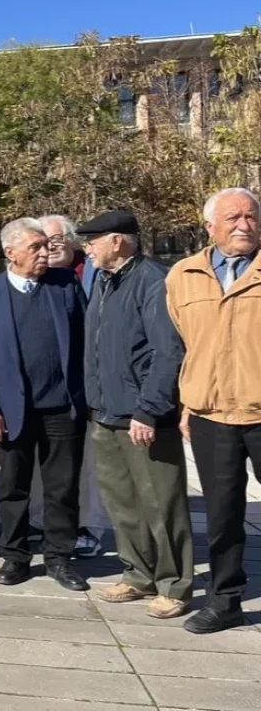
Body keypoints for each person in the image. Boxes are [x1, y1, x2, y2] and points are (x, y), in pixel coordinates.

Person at [78, 211, 192, 620]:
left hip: (143, 416)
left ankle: (174, 583)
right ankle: (138, 573)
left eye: (92, 241)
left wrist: (149, 408)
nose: (86, 249)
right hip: (105, 412)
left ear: (117, 241)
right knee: (122, 502)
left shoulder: (152, 281)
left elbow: (167, 352)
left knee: (161, 503)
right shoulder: (105, 282)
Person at [0, 218, 89, 592]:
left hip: (62, 406)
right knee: (14, 486)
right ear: (11, 253)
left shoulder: (65, 284)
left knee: (62, 487)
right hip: (11, 410)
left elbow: (86, 341)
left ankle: (58, 557)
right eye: (35, 247)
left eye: (46, 246)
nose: (45, 253)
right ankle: (15, 557)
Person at [166, 187, 261, 633]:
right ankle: (226, 601)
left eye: (251, 216)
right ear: (209, 226)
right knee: (222, 516)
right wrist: (188, 403)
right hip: (211, 417)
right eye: (233, 217)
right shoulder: (183, 275)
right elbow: (187, 344)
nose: (244, 224)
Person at [39, 212, 107, 559]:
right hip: (52, 389)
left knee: (89, 465)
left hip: (90, 384)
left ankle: (89, 527)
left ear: (71, 242)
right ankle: (48, 525)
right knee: (54, 463)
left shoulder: (93, 272)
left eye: (55, 240)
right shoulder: (38, 278)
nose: (48, 247)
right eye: (41, 241)